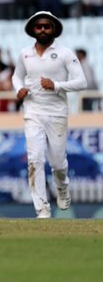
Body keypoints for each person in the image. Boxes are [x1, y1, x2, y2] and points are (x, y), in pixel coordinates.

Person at [12, 11, 86, 218]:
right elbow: (16, 77)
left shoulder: (64, 53)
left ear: (54, 29)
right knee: (35, 159)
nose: (43, 30)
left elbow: (82, 82)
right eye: (39, 27)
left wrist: (56, 85)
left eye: (47, 26)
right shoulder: (25, 53)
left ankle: (62, 188)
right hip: (32, 112)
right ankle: (42, 210)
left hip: (57, 114)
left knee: (58, 163)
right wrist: (18, 90)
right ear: (33, 30)